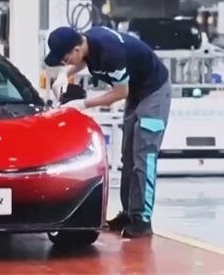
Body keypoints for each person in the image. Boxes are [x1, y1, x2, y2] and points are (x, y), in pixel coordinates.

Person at [44, 25, 171, 238]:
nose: (66, 63)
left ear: (76, 49)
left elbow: (120, 92)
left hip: (154, 91)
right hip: (136, 93)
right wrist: (64, 74)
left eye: (66, 59)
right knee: (127, 156)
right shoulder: (87, 43)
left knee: (144, 155)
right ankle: (128, 214)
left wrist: (82, 104)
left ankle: (142, 220)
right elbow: (82, 62)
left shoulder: (110, 53)